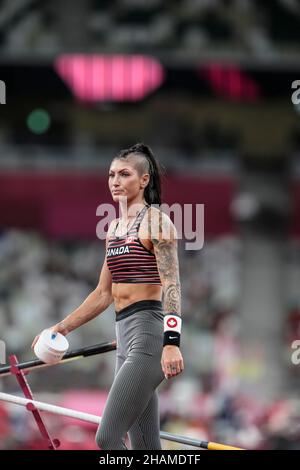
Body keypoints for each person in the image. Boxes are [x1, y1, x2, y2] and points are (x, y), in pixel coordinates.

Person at [31, 143, 184, 450]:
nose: (115, 180)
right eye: (111, 174)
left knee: (107, 437)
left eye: (124, 174)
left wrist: (171, 343)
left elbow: (172, 286)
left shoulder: (156, 222)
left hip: (150, 336)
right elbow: (103, 294)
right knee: (145, 448)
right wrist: (59, 329)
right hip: (124, 337)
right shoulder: (113, 228)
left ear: (144, 180)